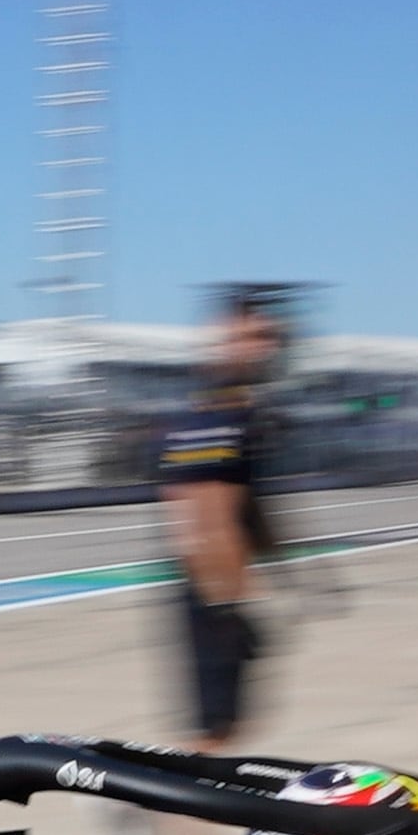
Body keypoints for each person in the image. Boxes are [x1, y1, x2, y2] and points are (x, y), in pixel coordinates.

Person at [158, 290, 288, 752]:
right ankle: (141, 803)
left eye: (269, 336)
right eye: (253, 335)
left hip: (217, 590)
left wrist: (284, 567)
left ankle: (151, 801)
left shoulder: (239, 409)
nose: (266, 345)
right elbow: (203, 512)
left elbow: (248, 505)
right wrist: (225, 605)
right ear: (224, 339)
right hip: (209, 590)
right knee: (213, 735)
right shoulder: (220, 413)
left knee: (225, 727)